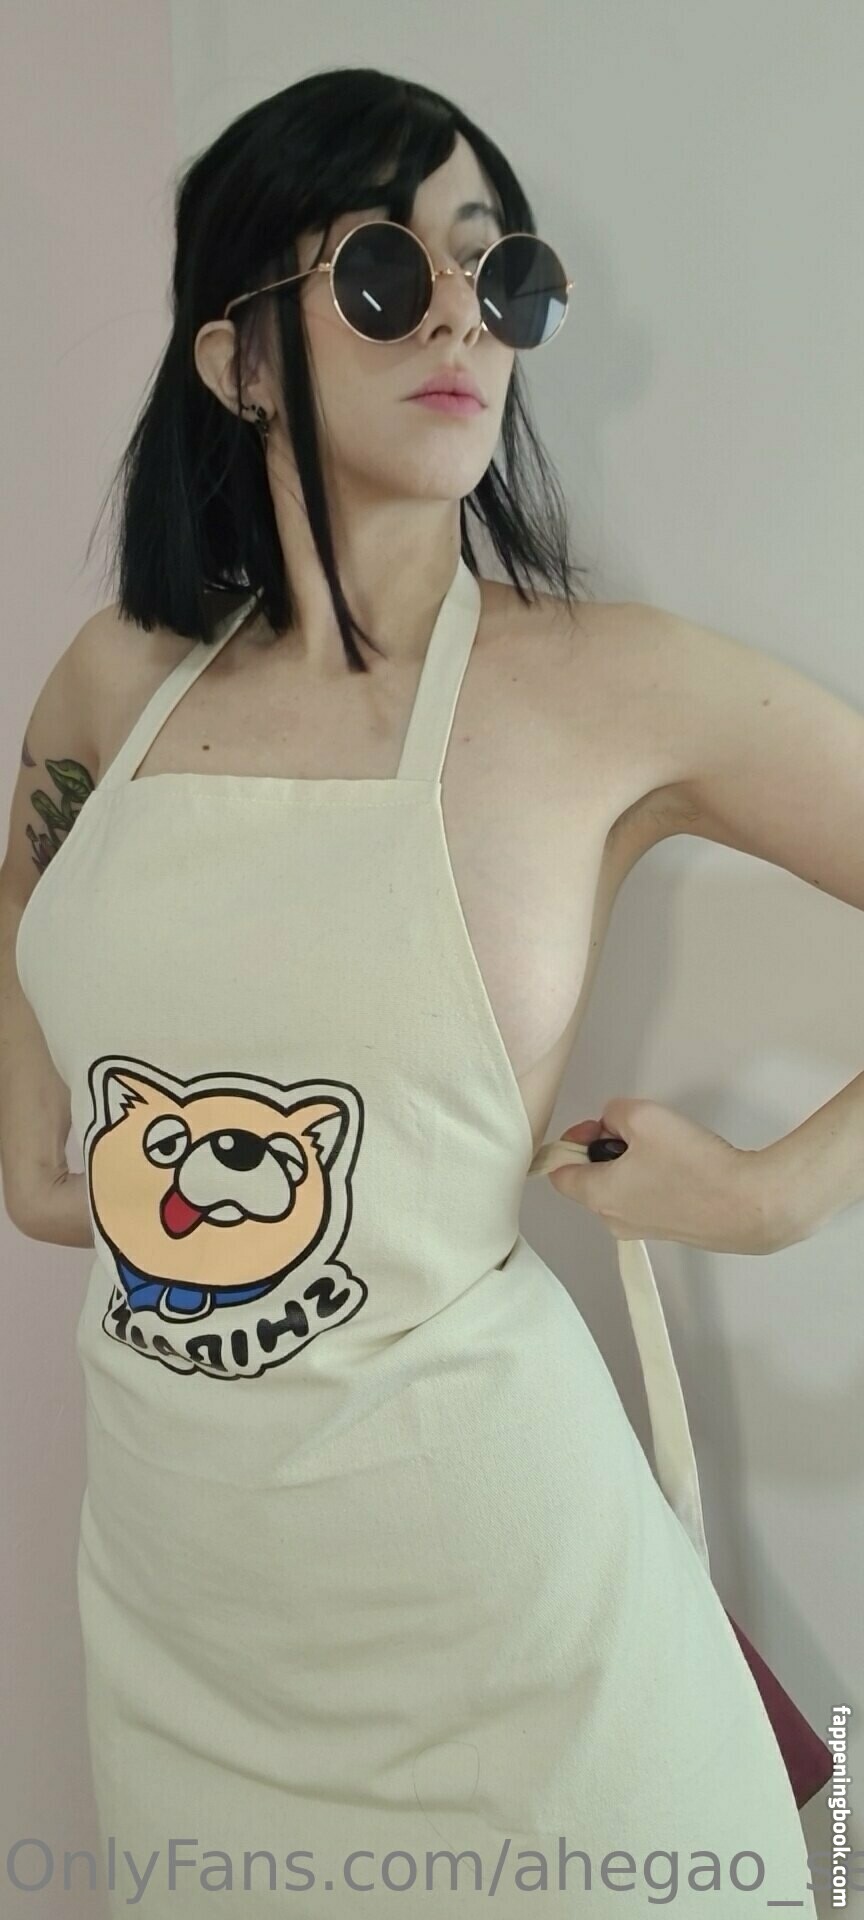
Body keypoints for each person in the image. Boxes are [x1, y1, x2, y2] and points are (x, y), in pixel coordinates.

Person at [0, 66, 820, 1916]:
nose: (462, 318)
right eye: (385, 272)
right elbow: (29, 893)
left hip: (523, 1648)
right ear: (239, 360)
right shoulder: (114, 686)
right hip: (187, 1640)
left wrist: (780, 1190)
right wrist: (37, 1152)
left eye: (500, 273)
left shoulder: (611, 687)